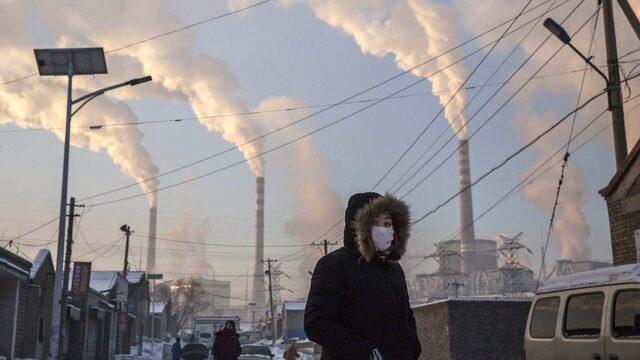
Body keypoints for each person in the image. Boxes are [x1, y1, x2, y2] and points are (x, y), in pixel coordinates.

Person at [304, 192, 421, 360]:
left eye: (387, 223)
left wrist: (412, 347)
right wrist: (365, 353)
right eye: (374, 223)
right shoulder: (334, 265)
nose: (383, 229)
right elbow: (316, 323)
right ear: (358, 227)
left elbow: (406, 316)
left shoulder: (394, 269)